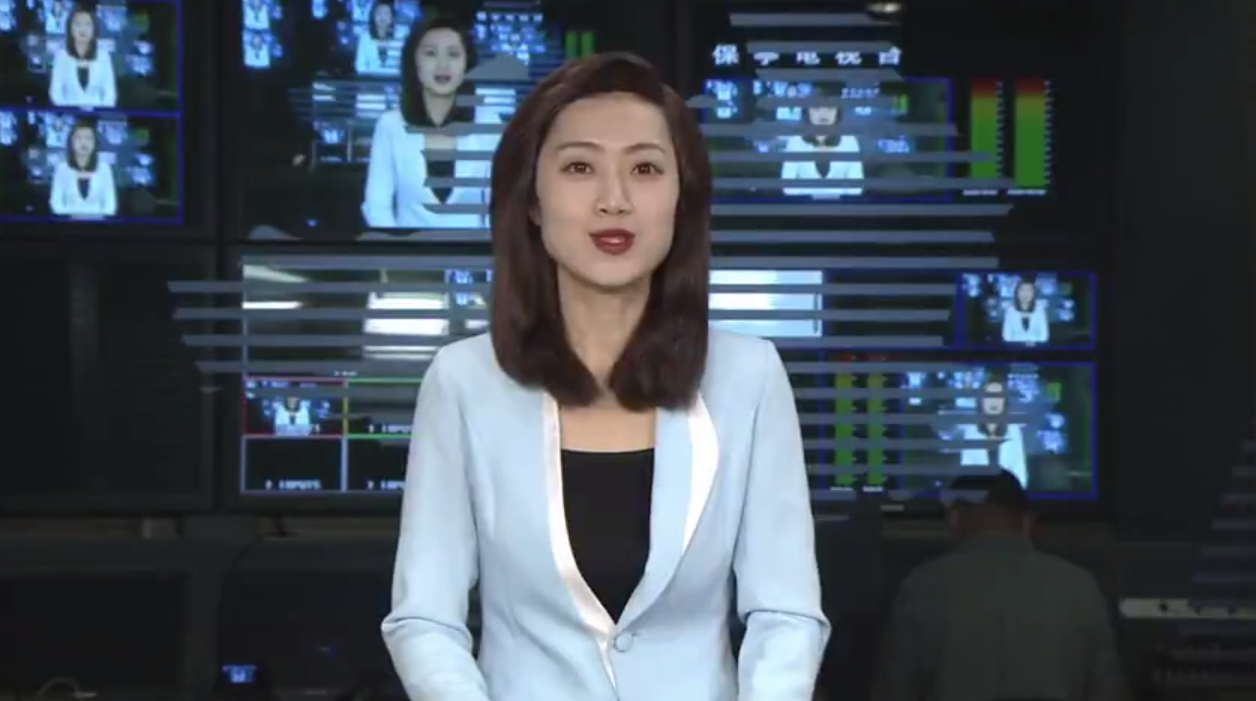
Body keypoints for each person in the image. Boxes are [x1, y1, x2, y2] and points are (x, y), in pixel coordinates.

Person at [381, 52, 828, 701]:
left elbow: (786, 614)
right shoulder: (464, 380)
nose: (613, 200)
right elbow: (424, 618)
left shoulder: (749, 376)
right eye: (579, 168)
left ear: (682, 198)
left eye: (645, 169)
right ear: (532, 202)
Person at [871, 472, 1127, 701]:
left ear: (953, 519)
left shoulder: (920, 587)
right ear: (1028, 521)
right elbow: (1108, 692)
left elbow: (894, 692)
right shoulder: (1080, 586)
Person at [361, 14, 497, 230]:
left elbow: (499, 206)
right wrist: (395, 249)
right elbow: (377, 207)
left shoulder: (488, 123)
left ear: (467, 64)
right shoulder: (390, 126)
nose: (443, 65)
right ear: (414, 62)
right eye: (431, 53)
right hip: (408, 251)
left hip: (473, 251)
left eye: (453, 54)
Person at [780, 96, 863, 198]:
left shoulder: (850, 142)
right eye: (816, 108)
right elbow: (788, 187)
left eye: (829, 108)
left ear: (837, 112)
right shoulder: (795, 142)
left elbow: (856, 188)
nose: (823, 114)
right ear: (807, 112)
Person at [957, 376, 1029, 487]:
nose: (993, 402)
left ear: (1004, 402)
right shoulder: (971, 432)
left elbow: (1020, 473)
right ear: (981, 401)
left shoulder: (1014, 431)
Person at [49, 4, 116, 108]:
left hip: (97, 113)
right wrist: (72, 110)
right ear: (70, 28)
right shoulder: (61, 56)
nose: (83, 29)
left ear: (94, 29)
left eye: (88, 25)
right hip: (69, 112)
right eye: (78, 24)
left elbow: (110, 94)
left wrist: (98, 110)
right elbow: (56, 94)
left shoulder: (103, 56)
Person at [49, 119, 116, 217]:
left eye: (88, 138)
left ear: (95, 143)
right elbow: (56, 207)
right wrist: (92, 210)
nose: (83, 142)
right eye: (78, 138)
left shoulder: (104, 169)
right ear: (71, 142)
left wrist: (75, 211)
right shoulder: (62, 169)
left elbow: (110, 208)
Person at [354, 0, 399, 76]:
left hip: (394, 81)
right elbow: (360, 67)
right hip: (371, 81)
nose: (382, 17)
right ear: (373, 16)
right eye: (379, 13)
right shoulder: (364, 38)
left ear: (392, 18)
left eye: (386, 13)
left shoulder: (400, 37)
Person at [1002, 278, 1050, 345]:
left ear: (1034, 294)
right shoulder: (1010, 311)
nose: (1025, 293)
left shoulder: (1040, 311)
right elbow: (1007, 337)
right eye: (1022, 290)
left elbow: (1044, 336)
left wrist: (1032, 344)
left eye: (1029, 290)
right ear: (1017, 293)